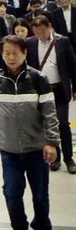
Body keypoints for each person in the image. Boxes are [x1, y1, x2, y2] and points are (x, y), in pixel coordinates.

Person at [0, 35, 60, 230]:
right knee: (12, 193)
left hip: (37, 149)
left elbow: (49, 113)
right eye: (6, 52)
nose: (11, 57)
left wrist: (52, 142)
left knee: (40, 196)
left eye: (15, 52)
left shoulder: (38, 78)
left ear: (25, 53)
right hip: (9, 151)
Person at [26, 14, 76, 174]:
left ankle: (69, 158)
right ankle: (55, 158)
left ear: (50, 27)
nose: (40, 35)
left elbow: (72, 65)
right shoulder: (31, 43)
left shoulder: (62, 42)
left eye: (42, 31)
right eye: (36, 32)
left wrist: (75, 87)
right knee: (47, 125)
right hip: (41, 91)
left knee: (62, 124)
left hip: (60, 89)